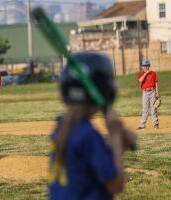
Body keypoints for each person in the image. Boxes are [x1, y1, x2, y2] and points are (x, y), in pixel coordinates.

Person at [48, 52, 137, 200]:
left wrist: (118, 146)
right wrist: (115, 136)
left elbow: (86, 158)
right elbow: (116, 184)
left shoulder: (62, 127)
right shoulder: (88, 135)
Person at [136, 58, 160, 130]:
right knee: (145, 109)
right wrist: (146, 73)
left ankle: (155, 124)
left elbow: (156, 84)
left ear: (149, 66)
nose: (145, 67)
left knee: (154, 109)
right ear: (142, 67)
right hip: (145, 93)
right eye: (144, 66)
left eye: (147, 65)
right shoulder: (140, 74)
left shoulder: (153, 73)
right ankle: (142, 125)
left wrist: (157, 95)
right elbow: (140, 80)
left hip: (153, 92)